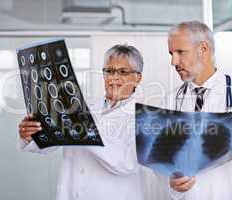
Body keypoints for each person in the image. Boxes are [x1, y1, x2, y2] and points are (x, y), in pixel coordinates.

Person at [162, 21, 232, 200]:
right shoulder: (170, 102)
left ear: (203, 49)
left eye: (179, 52)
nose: (173, 62)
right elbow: (162, 165)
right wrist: (173, 184)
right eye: (171, 53)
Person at [18, 44, 144, 200]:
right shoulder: (82, 106)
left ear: (138, 77)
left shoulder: (144, 116)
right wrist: (31, 134)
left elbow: (127, 163)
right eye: (109, 71)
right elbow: (51, 143)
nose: (113, 77)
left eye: (123, 72)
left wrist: (86, 128)